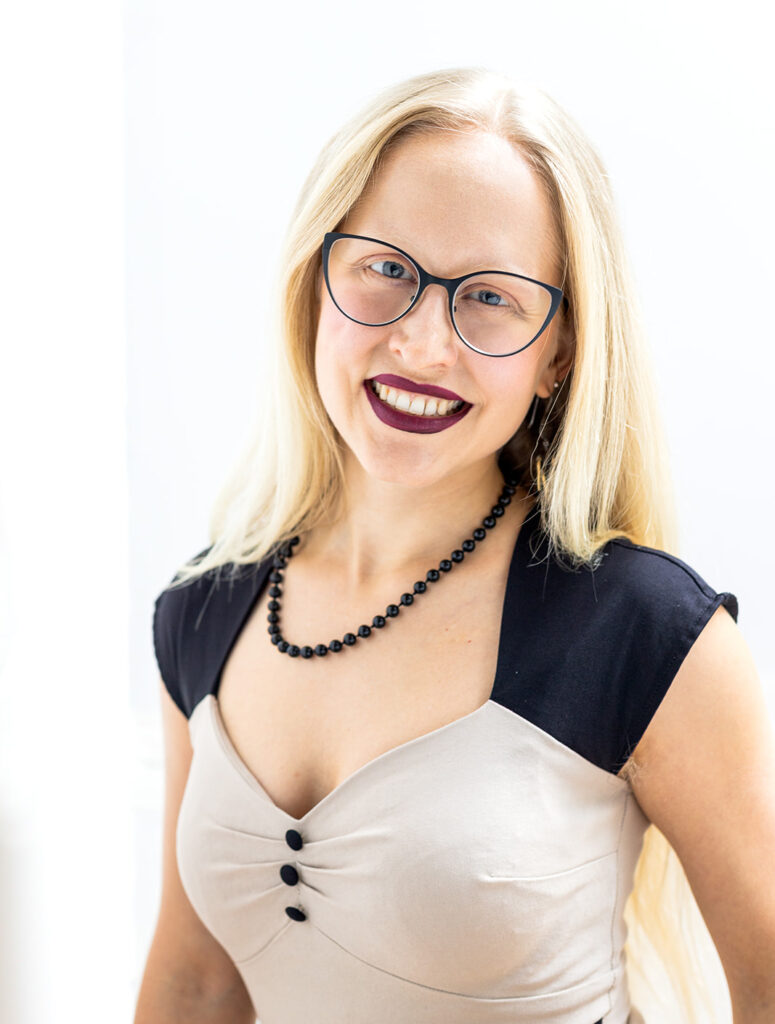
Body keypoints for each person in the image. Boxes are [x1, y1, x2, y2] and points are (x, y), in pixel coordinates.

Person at [134, 68, 775, 1024]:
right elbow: (196, 984)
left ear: (558, 353)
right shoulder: (203, 612)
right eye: (386, 269)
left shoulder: (644, 634)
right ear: (315, 282)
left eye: (489, 298)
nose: (423, 345)